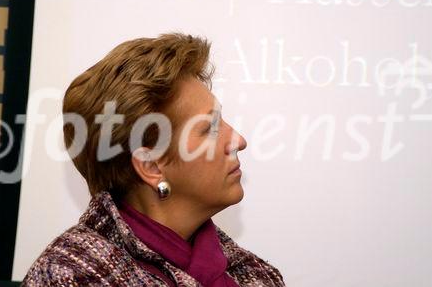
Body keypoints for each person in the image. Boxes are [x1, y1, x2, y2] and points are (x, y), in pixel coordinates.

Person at [22, 34, 285, 286]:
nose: (238, 140)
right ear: (150, 166)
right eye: (210, 129)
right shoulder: (68, 277)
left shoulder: (255, 274)